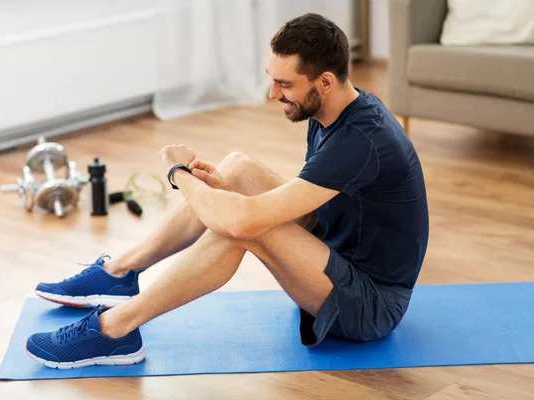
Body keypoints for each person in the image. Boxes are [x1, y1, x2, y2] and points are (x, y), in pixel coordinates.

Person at [26, 13, 429, 369]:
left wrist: (178, 175)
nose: (273, 94)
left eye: (283, 84)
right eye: (272, 80)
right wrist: (224, 190)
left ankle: (115, 330)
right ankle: (119, 272)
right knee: (235, 168)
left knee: (243, 227)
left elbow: (242, 223)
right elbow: (311, 216)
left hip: (369, 304)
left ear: (324, 81)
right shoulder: (331, 109)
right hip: (336, 258)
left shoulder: (361, 140)